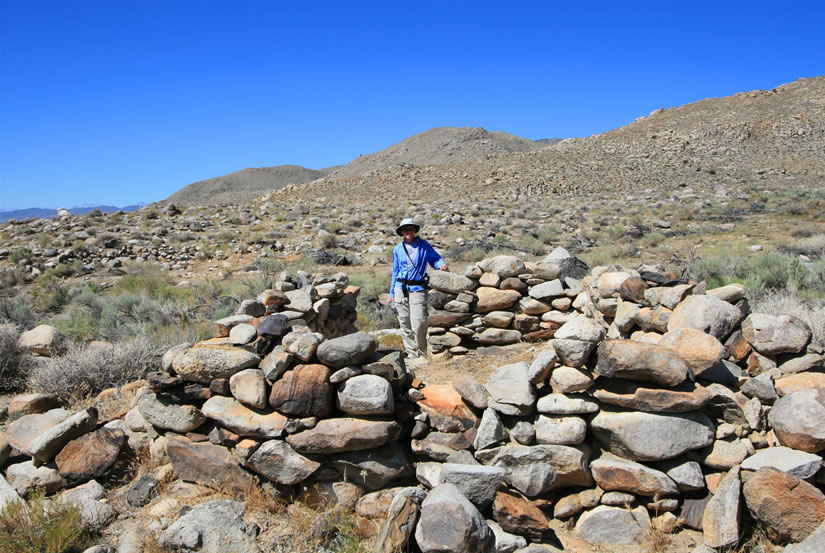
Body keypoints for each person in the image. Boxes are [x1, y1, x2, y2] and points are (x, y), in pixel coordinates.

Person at [386, 218, 449, 364]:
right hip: (400, 288)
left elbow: (435, 259)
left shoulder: (423, 246)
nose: (408, 231)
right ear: (401, 232)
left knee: (419, 322)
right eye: (405, 229)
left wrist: (441, 265)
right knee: (405, 322)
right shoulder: (397, 249)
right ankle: (411, 353)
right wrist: (391, 294)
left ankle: (422, 353)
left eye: (410, 229)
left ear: (414, 231)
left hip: (418, 288)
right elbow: (395, 272)